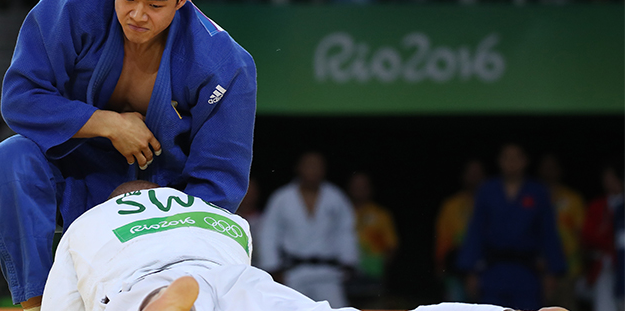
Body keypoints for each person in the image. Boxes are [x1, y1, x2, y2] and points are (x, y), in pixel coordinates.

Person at [0, 0, 256, 309]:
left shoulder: (225, 65)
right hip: (71, 180)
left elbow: (218, 186)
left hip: (158, 201)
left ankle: (163, 298)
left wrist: (161, 215)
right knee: (8, 161)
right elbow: (21, 98)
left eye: (156, 4)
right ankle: (36, 303)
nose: (137, 14)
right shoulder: (69, 10)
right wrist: (109, 123)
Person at [41, 180, 570, 311]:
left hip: (151, 280)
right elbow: (239, 258)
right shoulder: (212, 214)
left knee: (145, 295)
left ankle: (168, 302)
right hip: (242, 282)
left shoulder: (93, 221)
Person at [457, 143, 566, 310]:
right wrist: (470, 270)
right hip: (493, 271)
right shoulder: (487, 190)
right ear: (499, 161)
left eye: (516, 158)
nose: (511, 163)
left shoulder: (538, 192)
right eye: (507, 158)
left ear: (525, 161)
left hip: (526, 272)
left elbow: (548, 233)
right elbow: (475, 232)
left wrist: (552, 272)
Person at [257, 151, 358, 308]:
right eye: (309, 165)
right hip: (293, 272)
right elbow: (269, 233)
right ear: (298, 168)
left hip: (328, 273)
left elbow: (345, 231)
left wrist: (348, 261)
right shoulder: (282, 198)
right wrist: (272, 267)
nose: (313, 170)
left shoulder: (336, 197)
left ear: (324, 170)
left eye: (317, 166)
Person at [536, 153, 585, 310]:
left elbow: (581, 235)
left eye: (552, 168)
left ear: (560, 170)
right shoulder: (532, 197)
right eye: (545, 168)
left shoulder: (572, 199)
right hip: (537, 269)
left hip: (569, 269)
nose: (548, 171)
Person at [434, 159, 486, 301]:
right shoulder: (451, 205)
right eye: (471, 173)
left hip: (486, 269)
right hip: (455, 268)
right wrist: (441, 267)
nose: (474, 177)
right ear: (463, 175)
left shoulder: (492, 203)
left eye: (478, 173)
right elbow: (442, 240)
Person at [346, 171, 399, 308]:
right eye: (356, 186)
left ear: (370, 189)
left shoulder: (381, 214)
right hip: (346, 275)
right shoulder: (340, 212)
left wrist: (378, 268)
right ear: (349, 188)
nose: (359, 190)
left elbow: (391, 246)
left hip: (372, 274)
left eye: (363, 187)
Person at [580, 163, 624, 311]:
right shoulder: (598, 206)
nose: (608, 181)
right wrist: (611, 247)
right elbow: (587, 236)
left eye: (612, 177)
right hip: (604, 267)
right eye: (606, 177)